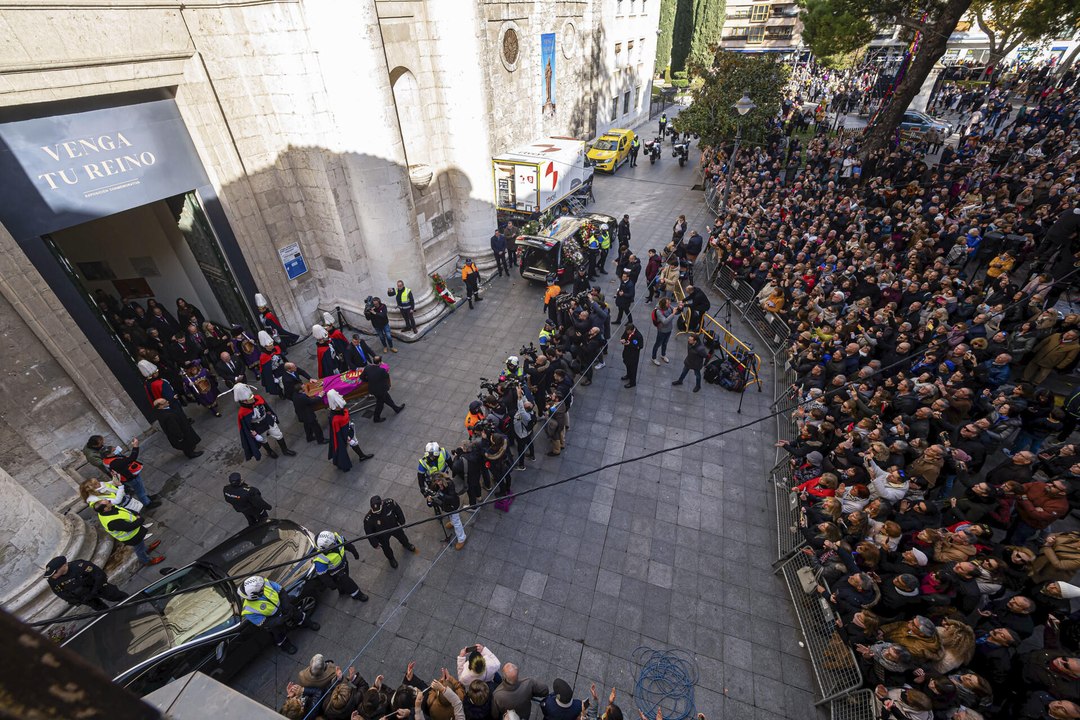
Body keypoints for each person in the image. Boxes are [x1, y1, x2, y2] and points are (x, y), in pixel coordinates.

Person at [238, 575, 319, 655]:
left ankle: (306, 623)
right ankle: (286, 646)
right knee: (279, 635)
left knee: (298, 615)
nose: (264, 587)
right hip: (273, 620)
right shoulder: (248, 610)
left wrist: (286, 605)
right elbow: (264, 622)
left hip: (284, 607)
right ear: (254, 595)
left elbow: (281, 591)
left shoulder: (264, 583)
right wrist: (281, 620)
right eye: (261, 589)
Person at [234, 383, 296, 460]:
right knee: (263, 440)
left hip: (267, 420)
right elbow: (246, 426)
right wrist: (254, 433)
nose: (253, 399)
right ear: (244, 401)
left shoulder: (258, 398)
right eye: (250, 398)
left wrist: (271, 415)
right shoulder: (242, 412)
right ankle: (269, 451)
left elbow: (267, 408)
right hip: (258, 427)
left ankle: (285, 450)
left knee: (278, 434)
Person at [92, 498, 163, 566]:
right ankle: (146, 561)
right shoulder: (112, 522)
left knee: (141, 544)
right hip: (132, 537)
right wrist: (140, 520)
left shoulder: (108, 509)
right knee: (139, 549)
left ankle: (146, 549)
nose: (110, 501)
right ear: (105, 509)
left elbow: (124, 510)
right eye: (108, 502)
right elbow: (128, 527)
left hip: (136, 533)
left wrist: (135, 513)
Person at [44, 555, 126, 611]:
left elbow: (99, 575)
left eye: (55, 573)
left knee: (117, 596)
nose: (52, 576)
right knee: (101, 610)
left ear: (63, 566)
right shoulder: (53, 580)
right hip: (84, 597)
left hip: (98, 588)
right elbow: (60, 593)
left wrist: (95, 591)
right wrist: (77, 600)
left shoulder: (80, 566)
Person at [313, 530, 369, 602]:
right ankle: (357, 595)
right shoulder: (320, 559)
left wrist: (354, 552)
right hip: (336, 573)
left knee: (343, 582)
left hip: (344, 564)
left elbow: (348, 545)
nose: (336, 543)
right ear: (325, 548)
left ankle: (342, 591)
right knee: (349, 583)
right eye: (333, 544)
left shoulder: (336, 540)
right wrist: (331, 585)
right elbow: (323, 575)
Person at [363, 495, 417, 569]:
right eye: (375, 511)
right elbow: (369, 532)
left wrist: (402, 521)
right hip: (382, 534)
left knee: (402, 537)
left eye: (378, 510)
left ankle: (406, 544)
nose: (377, 512)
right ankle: (391, 558)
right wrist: (374, 543)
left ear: (382, 503)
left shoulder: (389, 503)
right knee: (386, 548)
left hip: (394, 526)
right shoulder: (368, 519)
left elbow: (398, 511)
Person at [327, 389, 374, 471]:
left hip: (348, 430)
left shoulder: (338, 411)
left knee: (351, 444)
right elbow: (339, 433)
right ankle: (345, 462)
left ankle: (361, 456)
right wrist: (348, 438)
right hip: (346, 434)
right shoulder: (335, 419)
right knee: (344, 448)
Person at [426, 472, 468, 550]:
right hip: (446, 506)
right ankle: (452, 522)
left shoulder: (449, 483)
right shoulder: (435, 486)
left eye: (438, 481)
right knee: (451, 516)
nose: (437, 483)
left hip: (453, 505)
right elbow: (431, 499)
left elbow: (452, 498)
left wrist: (441, 495)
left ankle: (462, 538)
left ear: (442, 479)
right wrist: (429, 500)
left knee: (457, 521)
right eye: (435, 481)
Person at [360, 355, 405, 423]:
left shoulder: (367, 368)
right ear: (380, 362)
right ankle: (376, 418)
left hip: (374, 389)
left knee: (387, 398)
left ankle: (396, 409)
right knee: (380, 404)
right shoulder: (381, 370)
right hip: (381, 390)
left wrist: (369, 381)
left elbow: (362, 377)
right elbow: (386, 376)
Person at [291, 378, 328, 444]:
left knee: (307, 426)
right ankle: (321, 440)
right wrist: (320, 396)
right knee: (316, 428)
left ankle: (309, 437)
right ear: (300, 390)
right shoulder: (302, 397)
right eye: (303, 388)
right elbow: (312, 401)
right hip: (308, 415)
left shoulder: (295, 394)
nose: (304, 388)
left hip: (301, 414)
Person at [257, 330, 287, 397]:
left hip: (282, 367)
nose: (272, 346)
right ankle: (281, 394)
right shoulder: (263, 356)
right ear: (265, 346)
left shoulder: (275, 347)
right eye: (269, 345)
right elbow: (267, 371)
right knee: (279, 385)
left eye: (272, 343)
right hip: (275, 373)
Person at [651, 297, 677, 365]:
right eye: (668, 303)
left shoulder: (668, 306)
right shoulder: (658, 311)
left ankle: (663, 355)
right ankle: (653, 358)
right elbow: (665, 321)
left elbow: (674, 309)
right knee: (657, 344)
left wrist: (679, 308)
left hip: (669, 329)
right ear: (664, 304)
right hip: (662, 331)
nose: (670, 304)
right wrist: (673, 314)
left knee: (665, 343)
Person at [620, 322, 643, 388]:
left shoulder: (638, 336)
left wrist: (629, 344)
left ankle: (632, 382)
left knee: (633, 369)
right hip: (626, 352)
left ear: (632, 330)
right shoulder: (627, 330)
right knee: (627, 364)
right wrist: (623, 340)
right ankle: (628, 375)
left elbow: (640, 346)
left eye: (628, 332)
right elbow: (623, 336)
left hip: (633, 355)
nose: (627, 332)